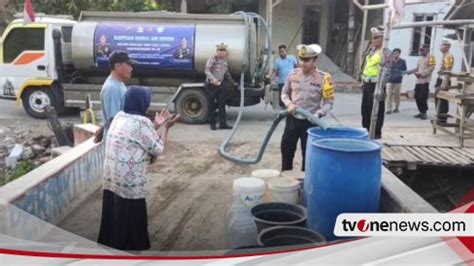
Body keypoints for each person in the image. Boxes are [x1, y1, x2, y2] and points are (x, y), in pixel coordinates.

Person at [97, 86, 180, 251]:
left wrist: (155, 125)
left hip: (112, 178)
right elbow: (158, 149)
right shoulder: (142, 123)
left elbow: (136, 138)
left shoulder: (120, 117)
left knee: (115, 216)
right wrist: (166, 128)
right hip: (129, 181)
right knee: (132, 220)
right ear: (142, 103)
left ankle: (112, 243)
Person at [280, 44, 335, 171]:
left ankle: (306, 183)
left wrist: (320, 113)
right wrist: (289, 104)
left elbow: (329, 102)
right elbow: (284, 93)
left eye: (307, 60)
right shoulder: (293, 74)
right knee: (286, 150)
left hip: (310, 122)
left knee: (309, 157)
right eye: (301, 59)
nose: (303, 63)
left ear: (315, 60)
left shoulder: (324, 78)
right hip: (292, 119)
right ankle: (287, 181)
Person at [94, 51, 137, 143]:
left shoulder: (119, 84)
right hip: (116, 143)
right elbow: (114, 120)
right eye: (128, 65)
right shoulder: (112, 88)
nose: (131, 68)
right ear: (117, 66)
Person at [360, 27, 392, 139]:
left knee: (377, 110)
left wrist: (381, 86)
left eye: (375, 38)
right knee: (366, 109)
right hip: (367, 83)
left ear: (382, 38)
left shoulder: (386, 52)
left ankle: (376, 133)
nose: (373, 40)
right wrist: (362, 80)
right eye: (372, 38)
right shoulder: (372, 51)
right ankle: (366, 130)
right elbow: (367, 66)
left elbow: (387, 71)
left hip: (377, 84)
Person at [204, 42, 238, 130]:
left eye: (224, 50)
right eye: (221, 50)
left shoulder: (224, 61)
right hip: (211, 85)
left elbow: (227, 74)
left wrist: (232, 82)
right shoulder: (213, 59)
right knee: (211, 105)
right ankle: (212, 124)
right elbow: (207, 71)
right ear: (217, 51)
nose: (222, 52)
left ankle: (223, 124)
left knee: (221, 104)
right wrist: (213, 79)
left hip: (220, 84)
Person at [405, 44, 436, 120]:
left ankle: (424, 112)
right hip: (418, 81)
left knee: (422, 97)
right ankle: (421, 112)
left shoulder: (431, 57)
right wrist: (409, 72)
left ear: (427, 49)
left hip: (425, 81)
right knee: (417, 97)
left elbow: (431, 68)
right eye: (420, 50)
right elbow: (417, 68)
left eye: (423, 50)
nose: (421, 52)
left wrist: (422, 74)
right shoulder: (420, 58)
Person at [435, 40, 454, 124]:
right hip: (440, 78)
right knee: (438, 98)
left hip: (444, 80)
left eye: (442, 45)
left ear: (447, 47)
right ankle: (439, 117)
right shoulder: (444, 55)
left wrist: (444, 83)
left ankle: (442, 119)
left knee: (442, 100)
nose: (440, 47)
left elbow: (448, 70)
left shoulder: (448, 56)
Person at [386, 48, 407, 114]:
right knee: (389, 95)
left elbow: (405, 70)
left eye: (397, 53)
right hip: (390, 80)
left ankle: (396, 107)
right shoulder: (390, 61)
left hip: (398, 81)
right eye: (395, 53)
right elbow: (386, 69)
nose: (396, 54)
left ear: (399, 54)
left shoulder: (402, 61)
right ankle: (389, 108)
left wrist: (400, 74)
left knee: (397, 95)